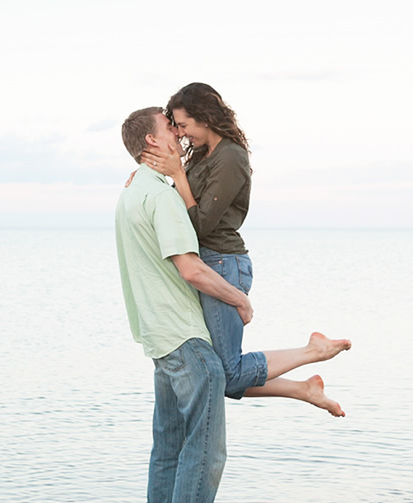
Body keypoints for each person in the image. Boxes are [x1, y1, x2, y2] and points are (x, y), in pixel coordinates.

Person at [140, 83, 351, 417]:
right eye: (176, 126)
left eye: (184, 125)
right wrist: (144, 178)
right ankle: (303, 388)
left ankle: (312, 352)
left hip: (223, 262)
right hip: (208, 262)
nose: (180, 134)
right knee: (221, 375)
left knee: (227, 374)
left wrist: (177, 174)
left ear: (205, 118)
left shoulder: (231, 156)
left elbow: (200, 225)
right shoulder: (202, 154)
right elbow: (180, 203)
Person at [115, 107, 251, 503]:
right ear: (153, 144)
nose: (177, 134)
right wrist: (239, 300)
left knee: (169, 439)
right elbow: (190, 267)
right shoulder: (161, 196)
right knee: (205, 447)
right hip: (185, 336)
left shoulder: (131, 193)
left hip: (157, 335)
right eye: (168, 129)